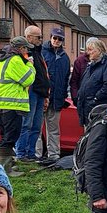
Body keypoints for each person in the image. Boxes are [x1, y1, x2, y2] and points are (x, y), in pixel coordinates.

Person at [0, 36, 35, 172]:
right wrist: (30, 65)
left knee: (5, 136)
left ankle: (4, 164)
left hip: (2, 102)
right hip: (12, 103)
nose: (27, 51)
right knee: (10, 137)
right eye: (26, 49)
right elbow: (28, 80)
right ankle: (6, 169)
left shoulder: (1, 59)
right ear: (20, 48)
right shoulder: (15, 60)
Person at [14, 26, 50, 165]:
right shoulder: (24, 53)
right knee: (26, 124)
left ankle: (30, 153)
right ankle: (21, 153)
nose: (41, 39)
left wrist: (46, 94)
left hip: (40, 92)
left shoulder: (38, 52)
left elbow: (43, 73)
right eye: (38, 37)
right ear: (29, 37)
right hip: (30, 92)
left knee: (36, 126)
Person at [42, 27, 71, 164]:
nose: (57, 41)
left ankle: (53, 155)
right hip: (42, 96)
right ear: (50, 37)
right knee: (36, 128)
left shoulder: (65, 58)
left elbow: (66, 79)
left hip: (57, 99)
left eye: (60, 39)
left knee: (53, 129)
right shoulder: (42, 52)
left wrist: (63, 96)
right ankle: (35, 154)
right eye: (55, 38)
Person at [75, 37, 107, 125]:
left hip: (97, 110)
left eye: (90, 50)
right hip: (87, 109)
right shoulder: (90, 65)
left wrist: (95, 98)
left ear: (99, 50)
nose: (88, 52)